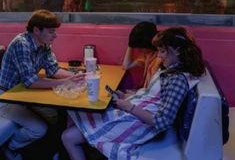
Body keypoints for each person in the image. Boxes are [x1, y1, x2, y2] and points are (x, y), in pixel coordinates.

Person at [62, 27, 205, 160]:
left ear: (177, 51)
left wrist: (128, 107)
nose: (159, 56)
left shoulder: (177, 80)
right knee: (72, 112)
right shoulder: (171, 70)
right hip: (134, 113)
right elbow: (152, 96)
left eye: (162, 51)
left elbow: (162, 122)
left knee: (68, 136)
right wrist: (127, 97)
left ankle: (83, 148)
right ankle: (88, 149)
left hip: (138, 124)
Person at [0, 9, 84, 160]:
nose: (55, 35)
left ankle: (52, 151)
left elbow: (53, 69)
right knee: (41, 127)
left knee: (57, 115)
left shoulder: (44, 45)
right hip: (7, 97)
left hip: (24, 95)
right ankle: (10, 147)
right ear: (37, 30)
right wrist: (66, 82)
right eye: (51, 31)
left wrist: (80, 77)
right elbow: (31, 82)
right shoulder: (22, 44)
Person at [121, 21, 161, 89]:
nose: (139, 50)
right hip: (142, 93)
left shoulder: (158, 60)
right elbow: (126, 66)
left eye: (141, 48)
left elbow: (151, 91)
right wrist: (131, 44)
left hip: (146, 95)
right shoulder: (148, 55)